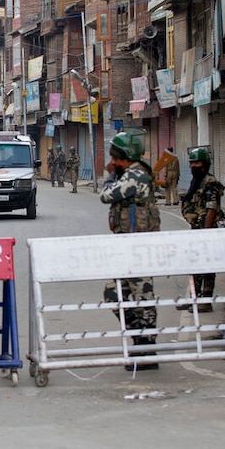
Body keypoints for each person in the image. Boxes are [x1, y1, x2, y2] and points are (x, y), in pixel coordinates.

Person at [99, 131, 160, 371]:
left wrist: (110, 175)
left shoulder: (136, 176)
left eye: (115, 157)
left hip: (139, 248)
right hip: (125, 248)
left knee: (142, 297)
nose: (112, 162)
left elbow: (106, 195)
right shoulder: (128, 174)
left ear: (122, 157)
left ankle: (147, 348)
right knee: (114, 295)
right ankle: (139, 340)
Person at [178, 147, 224, 312]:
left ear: (205, 164)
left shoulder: (210, 182)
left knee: (207, 266)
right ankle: (194, 298)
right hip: (197, 228)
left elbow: (212, 207)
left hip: (207, 230)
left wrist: (205, 233)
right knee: (195, 264)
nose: (193, 166)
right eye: (191, 163)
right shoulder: (197, 181)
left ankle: (205, 299)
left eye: (196, 163)